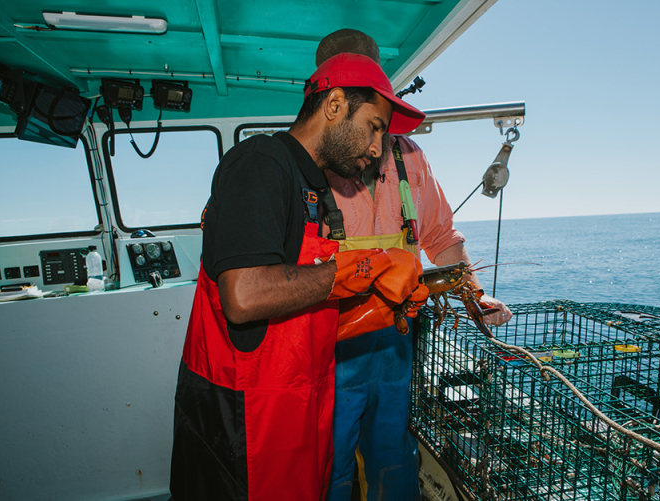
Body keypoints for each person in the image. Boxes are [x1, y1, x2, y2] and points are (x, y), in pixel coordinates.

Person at [169, 51, 431, 501]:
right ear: (334, 106)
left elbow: (300, 313)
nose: (376, 148)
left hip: (293, 410)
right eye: (374, 126)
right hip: (243, 422)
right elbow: (245, 296)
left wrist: (381, 309)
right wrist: (370, 266)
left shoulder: (313, 190)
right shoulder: (260, 163)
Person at [314, 30, 513, 501]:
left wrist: (474, 296)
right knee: (328, 462)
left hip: (397, 342)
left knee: (394, 454)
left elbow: (442, 238)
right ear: (331, 99)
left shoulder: (409, 157)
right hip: (328, 343)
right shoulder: (303, 160)